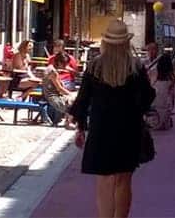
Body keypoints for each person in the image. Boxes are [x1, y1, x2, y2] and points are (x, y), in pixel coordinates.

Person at [70, 20, 155, 218]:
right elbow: (148, 96)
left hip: (101, 129)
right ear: (126, 42)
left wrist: (80, 126)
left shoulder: (95, 66)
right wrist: (135, 111)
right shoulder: (135, 67)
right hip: (128, 129)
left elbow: (83, 100)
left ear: (106, 42)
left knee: (104, 181)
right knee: (123, 180)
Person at [144, 42, 175, 130]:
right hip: (151, 87)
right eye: (149, 49)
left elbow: (171, 75)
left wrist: (171, 86)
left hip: (159, 86)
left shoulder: (162, 60)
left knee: (162, 105)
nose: (151, 51)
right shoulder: (145, 62)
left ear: (157, 50)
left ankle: (163, 121)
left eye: (154, 49)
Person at [41, 54, 75, 126]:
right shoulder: (53, 72)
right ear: (59, 63)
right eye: (65, 64)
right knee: (75, 100)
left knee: (73, 98)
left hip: (47, 94)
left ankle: (67, 120)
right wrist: (70, 94)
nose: (65, 66)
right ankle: (69, 122)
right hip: (53, 97)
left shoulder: (49, 68)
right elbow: (59, 89)